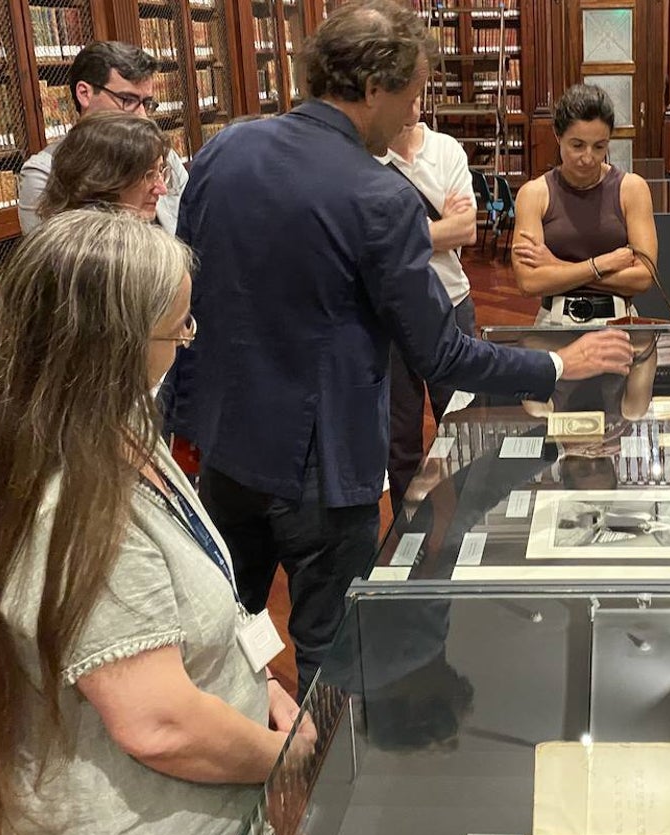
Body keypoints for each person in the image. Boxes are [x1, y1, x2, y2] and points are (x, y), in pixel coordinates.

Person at [165, 0, 633, 696]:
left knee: (223, 621)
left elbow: (190, 285)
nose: (415, 111)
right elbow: (441, 355)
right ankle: (322, 777)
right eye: (413, 94)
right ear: (374, 88)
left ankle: (240, 743)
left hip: (221, 443)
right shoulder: (378, 195)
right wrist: (561, 362)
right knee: (331, 646)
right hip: (321, 467)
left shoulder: (229, 146)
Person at [0, 210, 314, 835]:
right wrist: (288, 759)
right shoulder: (67, 503)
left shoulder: (114, 421)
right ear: (114, 346)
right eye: (177, 327)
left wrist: (261, 682)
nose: (189, 338)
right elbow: (159, 726)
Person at [375, 94, 479, 514]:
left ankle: (473, 519)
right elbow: (372, 245)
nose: (414, 98)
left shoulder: (445, 149)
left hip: (450, 303)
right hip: (389, 311)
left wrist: (405, 236)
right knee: (399, 435)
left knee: (464, 421)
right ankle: (409, 533)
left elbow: (467, 230)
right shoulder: (366, 158)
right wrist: (440, 229)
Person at [512, 84, 657, 325]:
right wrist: (602, 264)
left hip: (618, 320)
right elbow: (529, 282)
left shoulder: (632, 189)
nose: (588, 157)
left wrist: (558, 266)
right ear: (558, 136)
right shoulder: (533, 194)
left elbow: (643, 278)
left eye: (599, 146)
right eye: (577, 145)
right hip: (555, 320)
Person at [18, 41, 188, 235]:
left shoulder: (162, 155)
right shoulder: (44, 171)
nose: (141, 115)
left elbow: (191, 222)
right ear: (84, 93)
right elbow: (54, 258)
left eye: (146, 103)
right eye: (128, 100)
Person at [36, 111, 173, 223]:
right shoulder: (93, 254)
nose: (162, 189)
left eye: (161, 171)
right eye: (148, 175)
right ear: (103, 181)